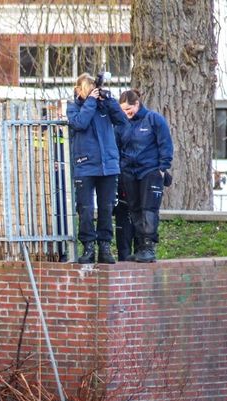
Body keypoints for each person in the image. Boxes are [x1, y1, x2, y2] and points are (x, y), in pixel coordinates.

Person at [66, 73, 127, 264]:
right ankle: (88, 247)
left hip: (108, 167)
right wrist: (91, 102)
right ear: (79, 90)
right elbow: (80, 123)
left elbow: (122, 121)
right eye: (87, 88)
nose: (91, 92)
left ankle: (105, 246)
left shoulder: (104, 106)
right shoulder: (73, 108)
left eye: (93, 88)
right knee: (85, 209)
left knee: (106, 208)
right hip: (85, 166)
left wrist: (109, 100)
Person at [118, 89, 174, 263]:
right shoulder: (121, 124)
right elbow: (118, 146)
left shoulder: (154, 119)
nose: (127, 114)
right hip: (129, 172)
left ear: (137, 104)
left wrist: (163, 167)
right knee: (134, 209)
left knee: (148, 209)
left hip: (150, 171)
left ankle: (148, 246)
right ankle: (141, 247)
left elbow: (165, 143)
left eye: (129, 110)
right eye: (123, 111)